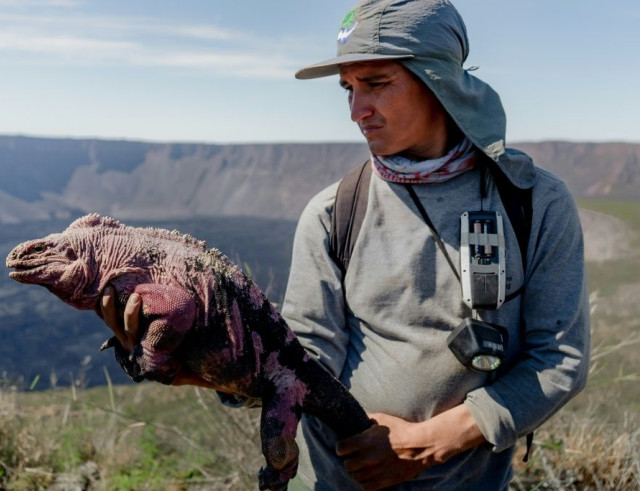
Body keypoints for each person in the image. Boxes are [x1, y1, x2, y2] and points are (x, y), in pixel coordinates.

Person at [100, 0, 590, 489]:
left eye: (376, 83)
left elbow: (559, 359)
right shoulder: (336, 211)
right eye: (348, 89)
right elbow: (303, 359)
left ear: (440, 81)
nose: (357, 111)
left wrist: (432, 440)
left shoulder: (531, 203)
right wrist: (205, 358)